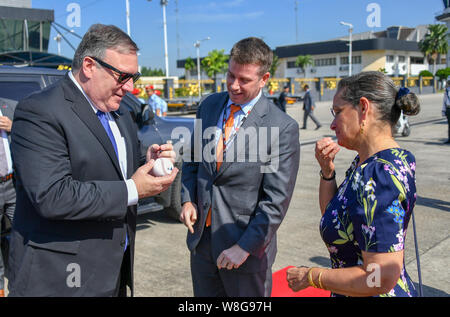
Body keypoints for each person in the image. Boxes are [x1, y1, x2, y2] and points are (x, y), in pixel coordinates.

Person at [7, 24, 178, 297]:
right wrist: (133, 189)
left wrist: (146, 164)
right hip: (59, 279)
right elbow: (52, 195)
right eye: (123, 76)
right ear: (89, 65)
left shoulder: (120, 114)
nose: (130, 87)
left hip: (112, 273)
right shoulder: (39, 111)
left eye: (135, 77)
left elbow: (109, 170)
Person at [180, 37, 300, 297]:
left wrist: (244, 247)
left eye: (244, 80)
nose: (234, 85)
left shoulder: (281, 128)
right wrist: (188, 200)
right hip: (202, 244)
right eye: (230, 75)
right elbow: (192, 160)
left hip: (244, 250)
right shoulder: (209, 106)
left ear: (264, 78)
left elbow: (275, 201)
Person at [286, 71, 420, 297]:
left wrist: (310, 276)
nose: (332, 124)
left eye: (338, 112)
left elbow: (379, 277)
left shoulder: (378, 175)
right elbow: (337, 220)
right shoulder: (374, 162)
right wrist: (327, 172)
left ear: (364, 108)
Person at [0, 97, 16, 298]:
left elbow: (34, 136)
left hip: (13, 185)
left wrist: (15, 127)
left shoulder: (11, 107)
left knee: (22, 236)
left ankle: (20, 285)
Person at [442, 76, 450, 144]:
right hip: (448, 109)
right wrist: (443, 110)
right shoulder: (447, 90)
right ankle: (449, 139)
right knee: (449, 125)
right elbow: (444, 101)